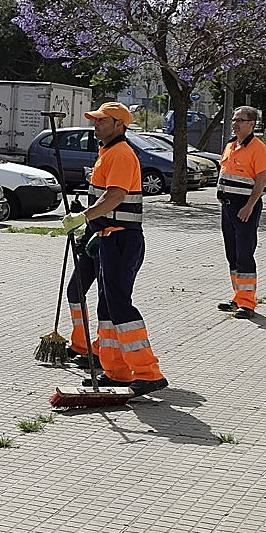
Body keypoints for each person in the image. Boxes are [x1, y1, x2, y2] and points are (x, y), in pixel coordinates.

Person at [61, 102, 167, 396]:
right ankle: (116, 372)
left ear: (119, 125)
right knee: (107, 308)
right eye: (95, 120)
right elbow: (104, 197)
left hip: (121, 240)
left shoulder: (120, 153)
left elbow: (115, 196)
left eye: (102, 120)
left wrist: (85, 216)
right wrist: (89, 224)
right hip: (108, 237)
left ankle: (148, 373)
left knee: (118, 305)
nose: (95, 125)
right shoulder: (107, 152)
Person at [216, 105, 266, 319]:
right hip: (228, 207)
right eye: (234, 119)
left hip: (245, 207)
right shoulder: (231, 145)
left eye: (240, 120)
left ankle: (247, 303)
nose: (235, 124)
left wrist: (249, 206)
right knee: (232, 254)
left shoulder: (258, 149)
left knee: (244, 254)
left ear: (252, 124)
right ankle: (238, 297)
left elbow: (261, 181)